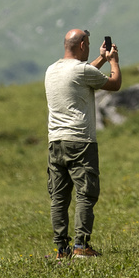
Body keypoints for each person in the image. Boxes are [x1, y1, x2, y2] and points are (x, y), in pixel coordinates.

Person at [44, 28, 121, 259]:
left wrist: (100, 58)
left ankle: (61, 250)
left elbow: (81, 74)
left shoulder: (52, 69)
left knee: (59, 198)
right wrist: (113, 62)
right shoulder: (81, 71)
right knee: (86, 194)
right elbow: (114, 84)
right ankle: (81, 246)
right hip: (80, 142)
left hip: (55, 142)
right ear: (83, 45)